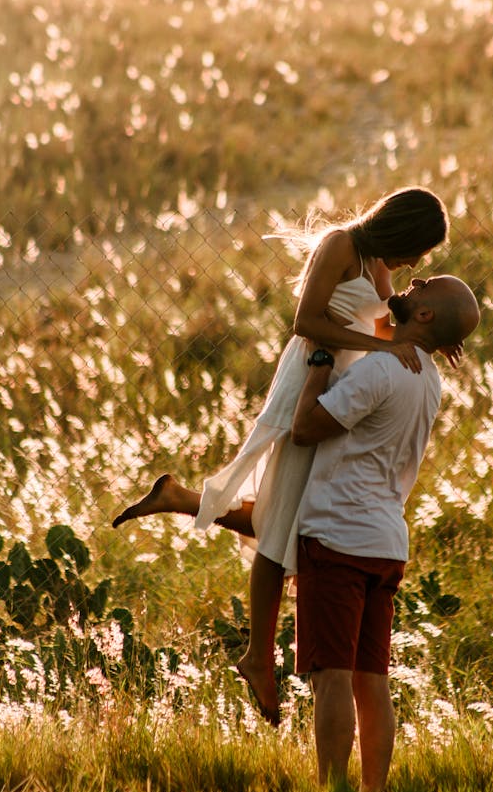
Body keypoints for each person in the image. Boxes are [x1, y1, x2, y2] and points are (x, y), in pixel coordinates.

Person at [112, 188, 452, 725]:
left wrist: (426, 339)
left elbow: (386, 325)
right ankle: (258, 655)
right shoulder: (341, 245)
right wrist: (384, 349)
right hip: (312, 375)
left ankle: (180, 500)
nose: (416, 264)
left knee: (290, 513)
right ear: (401, 230)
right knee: (284, 514)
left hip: (345, 384)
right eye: (418, 249)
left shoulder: (381, 268)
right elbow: (306, 321)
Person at [290, 274, 480, 792]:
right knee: (371, 682)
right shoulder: (428, 379)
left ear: (423, 317)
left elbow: (305, 429)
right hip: (386, 543)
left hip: (337, 537)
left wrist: (318, 365)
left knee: (331, 678)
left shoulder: (380, 371)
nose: (412, 283)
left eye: (424, 286)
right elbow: (385, 311)